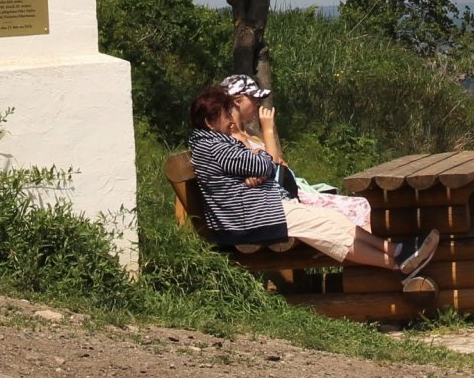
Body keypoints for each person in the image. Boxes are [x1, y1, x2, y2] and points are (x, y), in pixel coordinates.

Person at [187, 84, 437, 277]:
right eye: (225, 115)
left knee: (334, 219)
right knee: (327, 231)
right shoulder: (213, 147)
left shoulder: (215, 143)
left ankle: (398, 251)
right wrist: (259, 159)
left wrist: (257, 161)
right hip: (250, 219)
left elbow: (261, 163)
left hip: (262, 209)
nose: (232, 120)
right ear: (210, 122)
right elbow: (265, 163)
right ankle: (398, 264)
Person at [217, 73, 373, 230]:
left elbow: (279, 164)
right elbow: (273, 164)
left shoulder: (248, 137)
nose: (257, 102)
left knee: (362, 207)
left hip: (287, 194)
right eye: (253, 97)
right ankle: (383, 251)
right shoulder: (231, 139)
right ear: (237, 101)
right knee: (359, 208)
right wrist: (268, 130)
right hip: (279, 203)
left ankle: (383, 250)